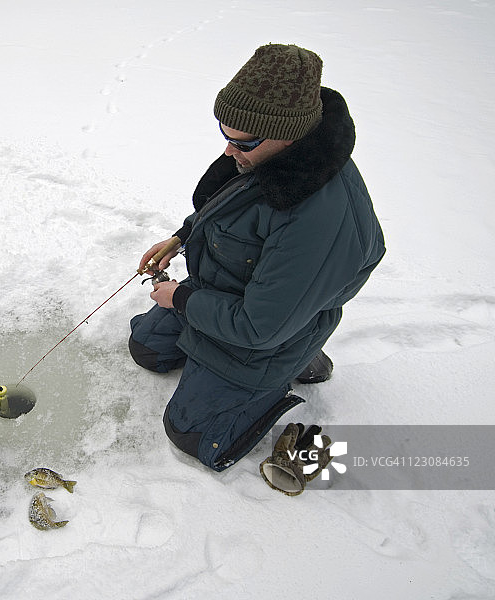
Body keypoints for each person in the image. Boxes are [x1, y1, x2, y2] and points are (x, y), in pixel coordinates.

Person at [129, 43, 385, 473]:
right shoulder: (268, 156)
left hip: (266, 330)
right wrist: (181, 237)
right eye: (224, 134)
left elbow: (258, 325)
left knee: (192, 433)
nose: (229, 151)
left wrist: (181, 300)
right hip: (231, 293)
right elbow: (229, 207)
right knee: (148, 350)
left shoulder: (316, 219)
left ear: (289, 133)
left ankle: (295, 360)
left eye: (241, 141)